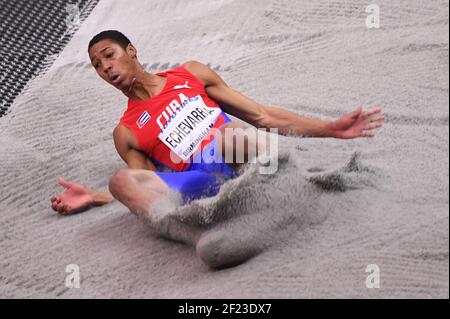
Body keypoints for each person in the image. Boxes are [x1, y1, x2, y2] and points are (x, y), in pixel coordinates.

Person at [50, 30, 384, 216]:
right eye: (96, 65)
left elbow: (262, 117)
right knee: (120, 180)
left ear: (131, 50)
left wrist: (329, 129)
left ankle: (285, 188)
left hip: (237, 153)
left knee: (229, 134)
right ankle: (196, 227)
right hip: (198, 185)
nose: (105, 67)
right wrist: (99, 195)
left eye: (109, 55)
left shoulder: (190, 74)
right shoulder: (126, 131)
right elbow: (148, 186)